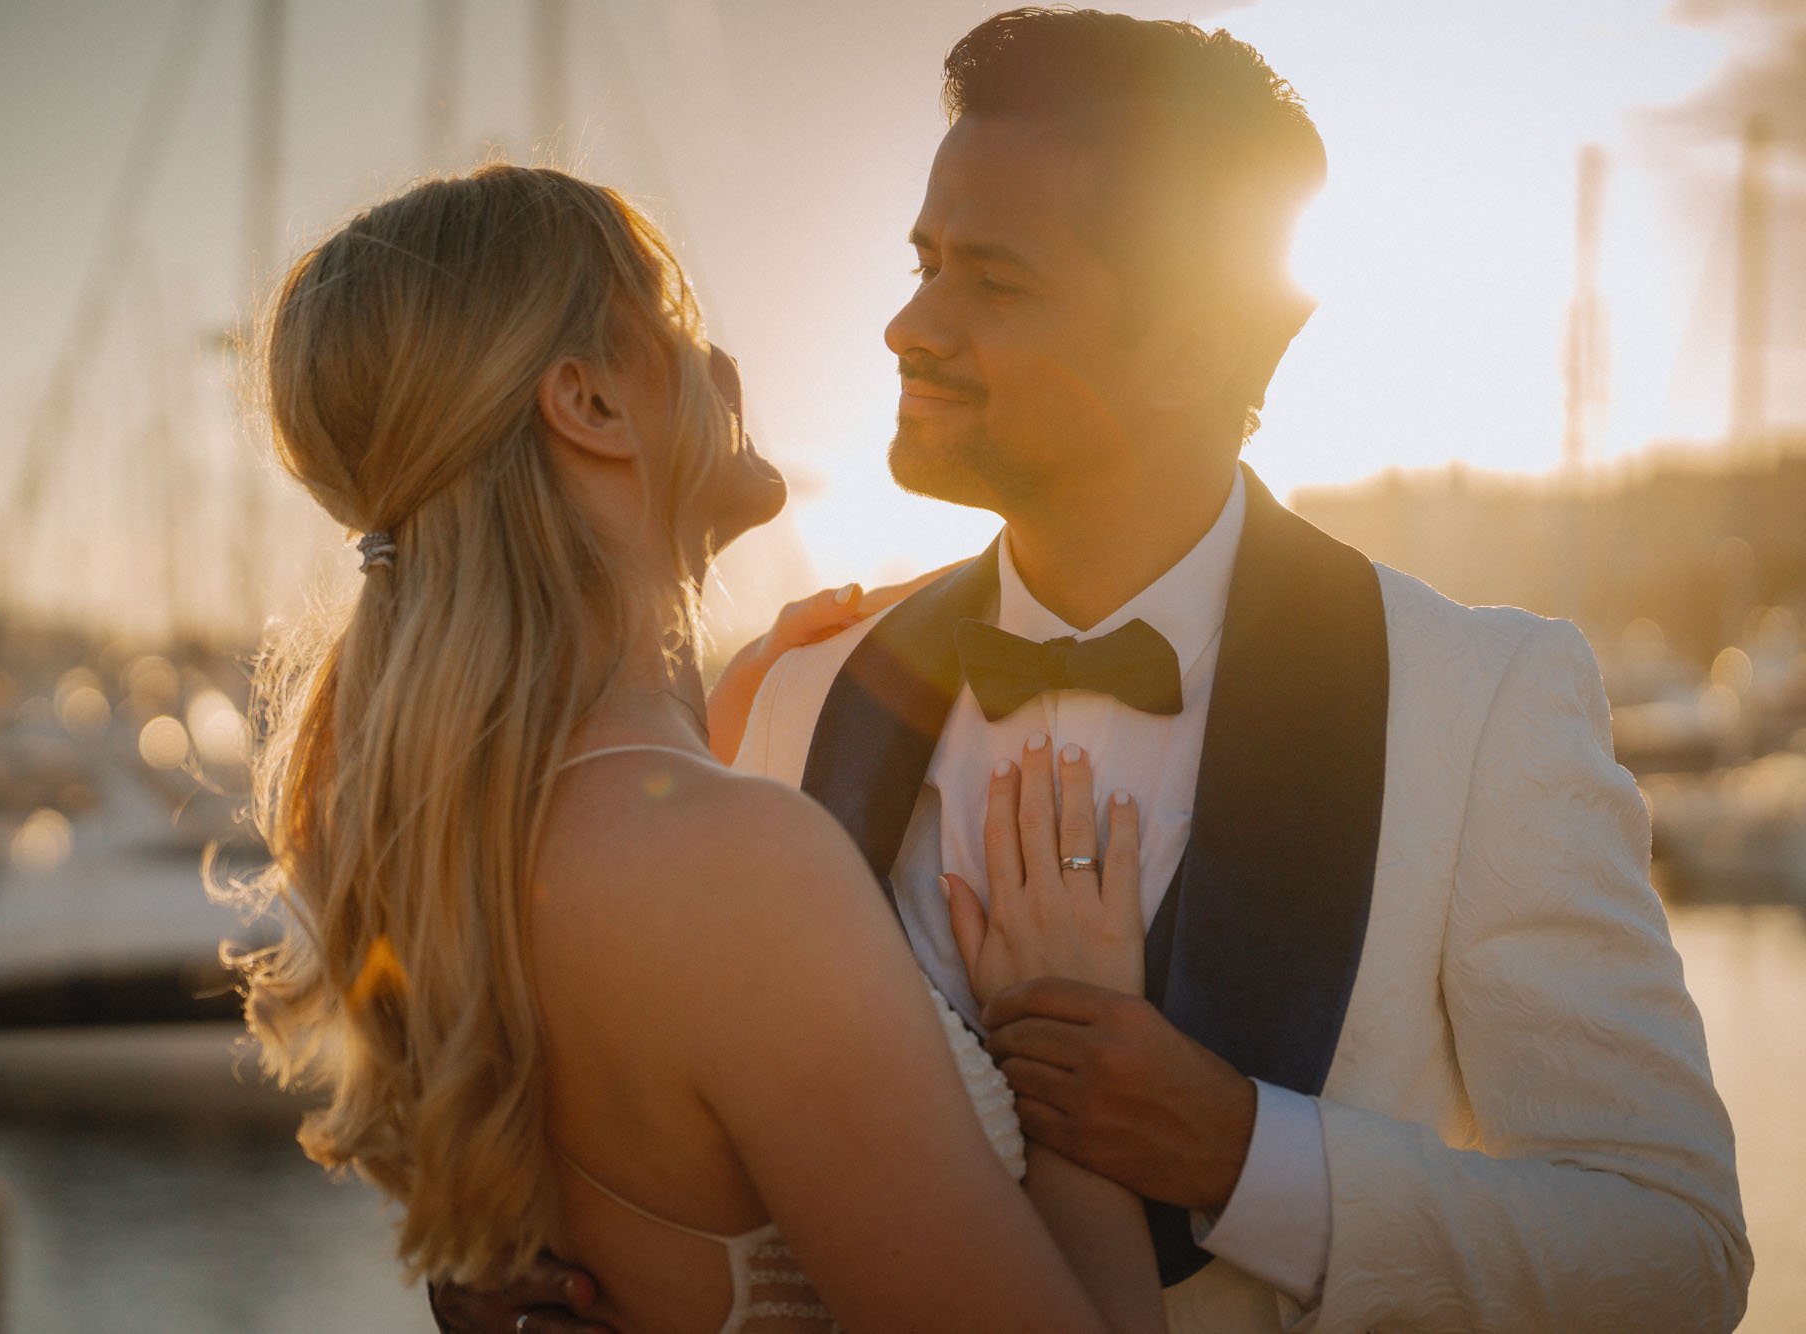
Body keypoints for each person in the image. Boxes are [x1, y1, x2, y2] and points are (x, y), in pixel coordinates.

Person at [450, 9, 1751, 1332]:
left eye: (990, 280)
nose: (908, 323)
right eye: (922, 260)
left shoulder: (1479, 705)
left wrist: (1246, 1156)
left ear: (1192, 345)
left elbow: (1678, 1255)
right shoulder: (807, 689)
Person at [227, 162, 1170, 1331]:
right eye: (681, 326)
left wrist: (711, 729)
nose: (724, 368)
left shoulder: (490, 824)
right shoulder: (728, 867)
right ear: (591, 406)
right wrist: (1065, 1031)